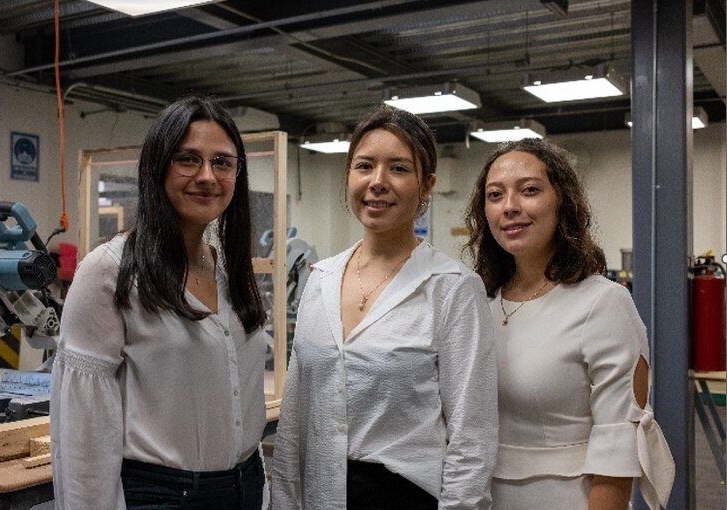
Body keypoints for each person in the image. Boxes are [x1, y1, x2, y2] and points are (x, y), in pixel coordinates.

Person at [272, 105, 498, 510]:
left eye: (397, 168)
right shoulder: (320, 280)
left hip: (405, 495)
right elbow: (294, 417)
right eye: (364, 166)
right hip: (323, 494)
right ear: (349, 178)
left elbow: (472, 435)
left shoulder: (452, 288)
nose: (377, 182)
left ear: (426, 185)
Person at [50, 95, 268, 510]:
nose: (207, 176)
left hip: (244, 487)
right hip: (163, 495)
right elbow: (83, 438)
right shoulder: (110, 271)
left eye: (222, 162)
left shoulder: (227, 267)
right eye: (188, 159)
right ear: (157, 168)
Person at [464, 138, 675, 510]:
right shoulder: (479, 301)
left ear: (562, 201)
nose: (510, 207)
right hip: (481, 496)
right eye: (495, 195)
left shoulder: (603, 303)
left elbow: (617, 447)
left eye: (529, 191)